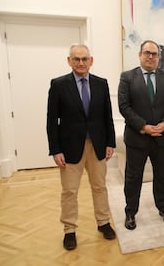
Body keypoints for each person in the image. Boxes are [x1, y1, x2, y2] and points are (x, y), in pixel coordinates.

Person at [46, 44, 116, 251]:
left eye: (85, 59)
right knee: (69, 191)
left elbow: (107, 117)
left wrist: (110, 143)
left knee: (100, 187)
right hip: (69, 149)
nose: (81, 63)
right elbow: (52, 121)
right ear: (69, 61)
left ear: (91, 60)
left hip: (97, 146)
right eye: (76, 59)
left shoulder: (101, 84)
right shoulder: (58, 85)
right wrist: (55, 149)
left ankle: (103, 222)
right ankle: (69, 230)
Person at [118, 40, 164, 230]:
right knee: (133, 177)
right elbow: (124, 106)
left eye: (154, 54)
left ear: (159, 57)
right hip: (137, 137)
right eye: (147, 53)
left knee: (161, 176)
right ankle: (130, 212)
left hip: (161, 137)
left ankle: (163, 208)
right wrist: (144, 126)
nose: (150, 57)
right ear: (140, 55)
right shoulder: (127, 77)